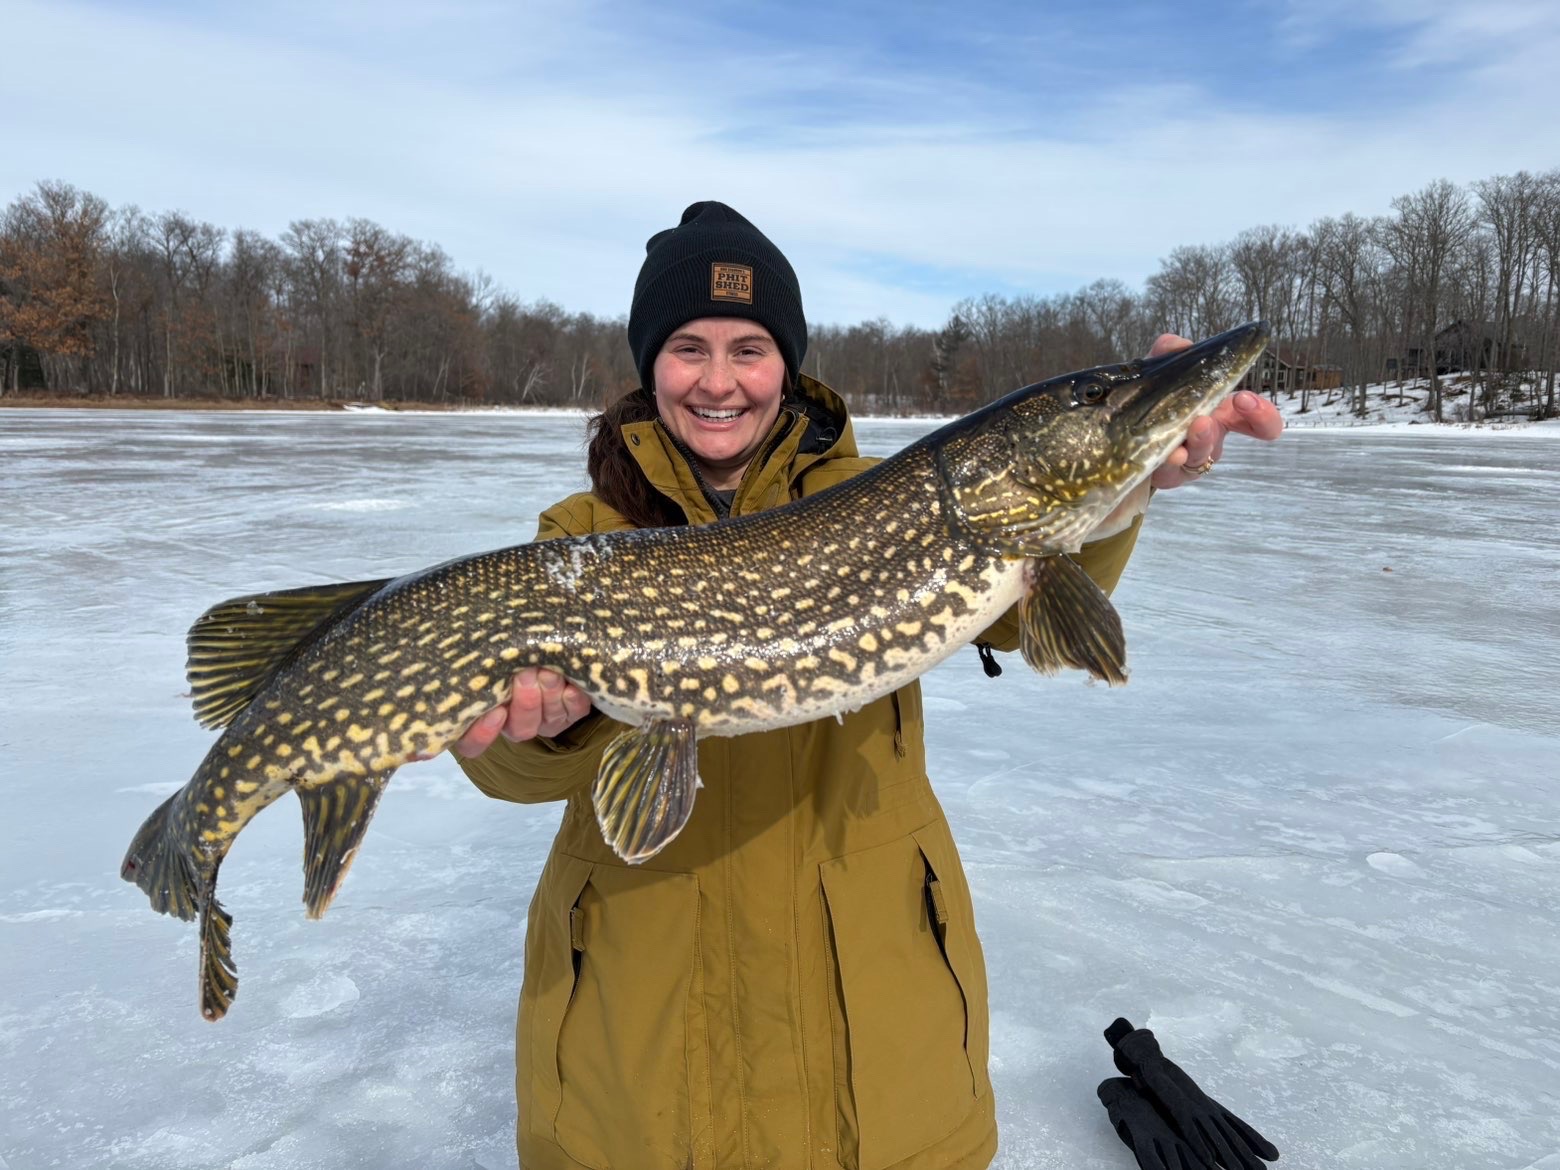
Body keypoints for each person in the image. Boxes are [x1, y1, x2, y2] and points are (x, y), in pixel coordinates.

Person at [451, 201, 1284, 1170]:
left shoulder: (889, 501)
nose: (719, 381)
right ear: (651, 365)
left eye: (750, 349)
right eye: (688, 348)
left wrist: (1122, 493)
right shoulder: (582, 536)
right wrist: (551, 730)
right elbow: (504, 766)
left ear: (789, 365)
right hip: (638, 1062)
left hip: (877, 1055)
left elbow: (1030, 612)